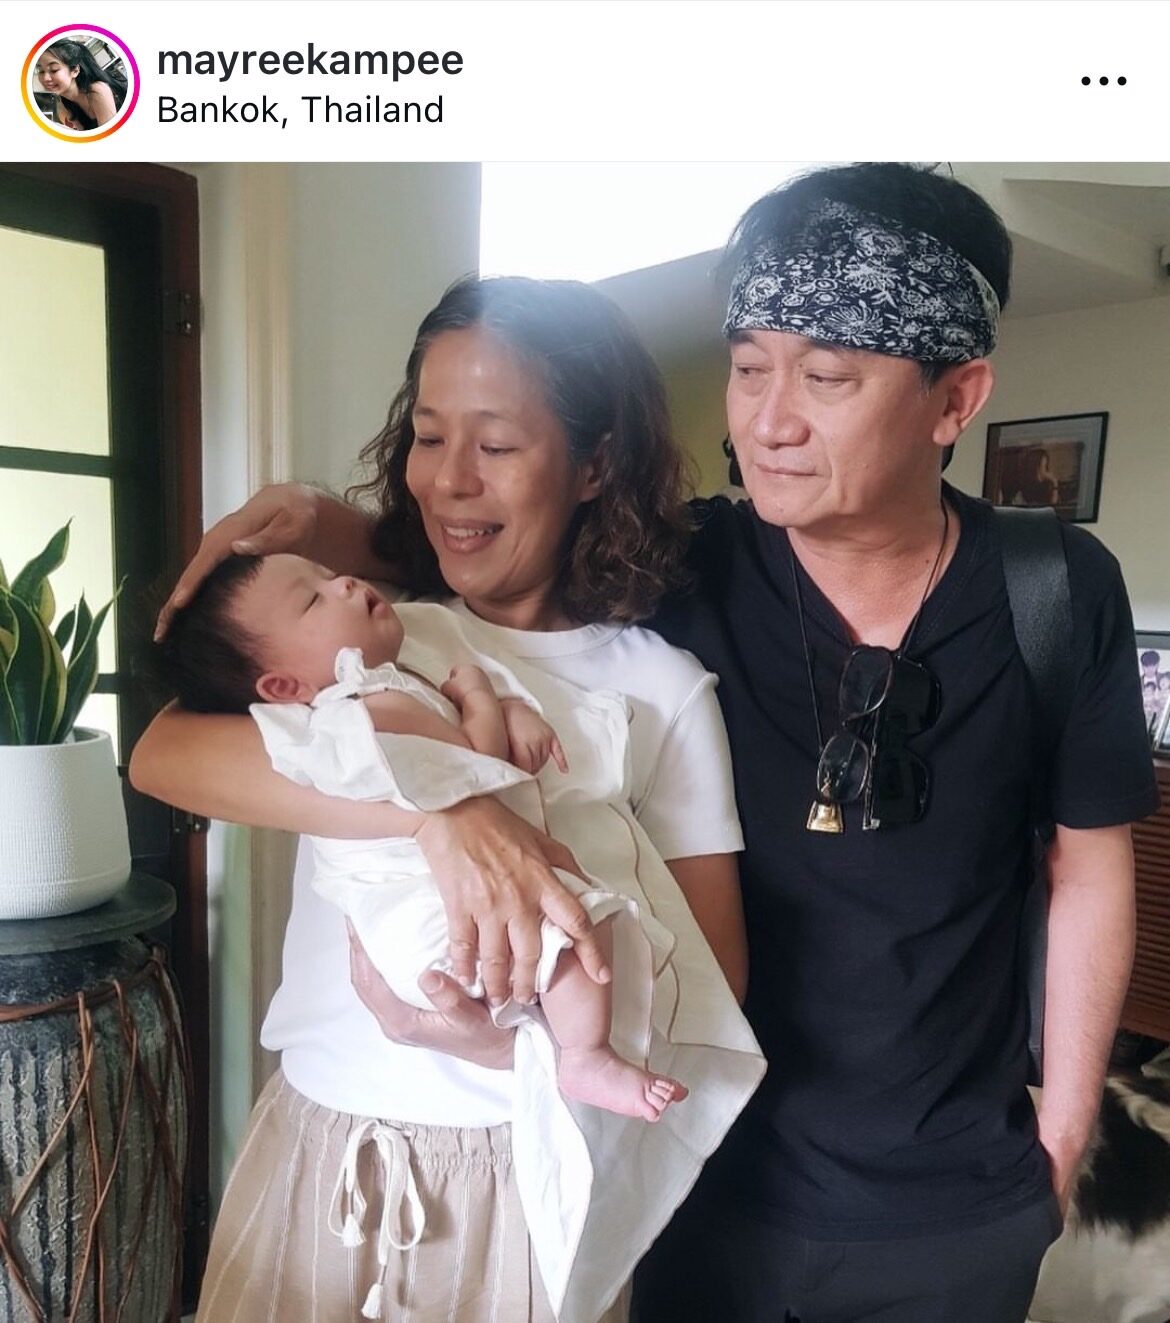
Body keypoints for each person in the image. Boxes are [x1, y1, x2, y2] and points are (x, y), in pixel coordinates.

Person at [155, 164, 1157, 1323]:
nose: (769, 422)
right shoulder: (691, 572)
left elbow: (1087, 866)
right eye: (748, 368)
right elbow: (496, 547)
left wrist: (1064, 1133)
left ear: (956, 398)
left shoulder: (1054, 589)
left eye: (828, 377)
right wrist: (332, 546)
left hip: (952, 1198)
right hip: (705, 1181)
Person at [132, 276, 762, 1323]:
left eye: (497, 444)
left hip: (524, 1175)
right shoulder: (375, 635)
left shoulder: (660, 689)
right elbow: (160, 756)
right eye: (429, 437)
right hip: (320, 1141)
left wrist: (508, 1044)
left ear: (594, 464)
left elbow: (715, 981)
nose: (451, 481)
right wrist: (447, 813)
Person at [158, 548, 690, 1121]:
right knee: (578, 925)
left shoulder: (390, 685)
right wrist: (481, 694)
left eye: (329, 573)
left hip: (424, 936)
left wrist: (506, 706)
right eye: (313, 599)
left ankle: (569, 1048)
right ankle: (583, 1055)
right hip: (427, 920)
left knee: (575, 927)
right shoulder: (366, 709)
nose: (345, 583)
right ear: (284, 685)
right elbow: (478, 762)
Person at [34, 38, 125, 130]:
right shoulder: (64, 105)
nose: (45, 78)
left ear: (75, 70)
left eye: (54, 70)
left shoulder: (98, 90)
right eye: (41, 71)